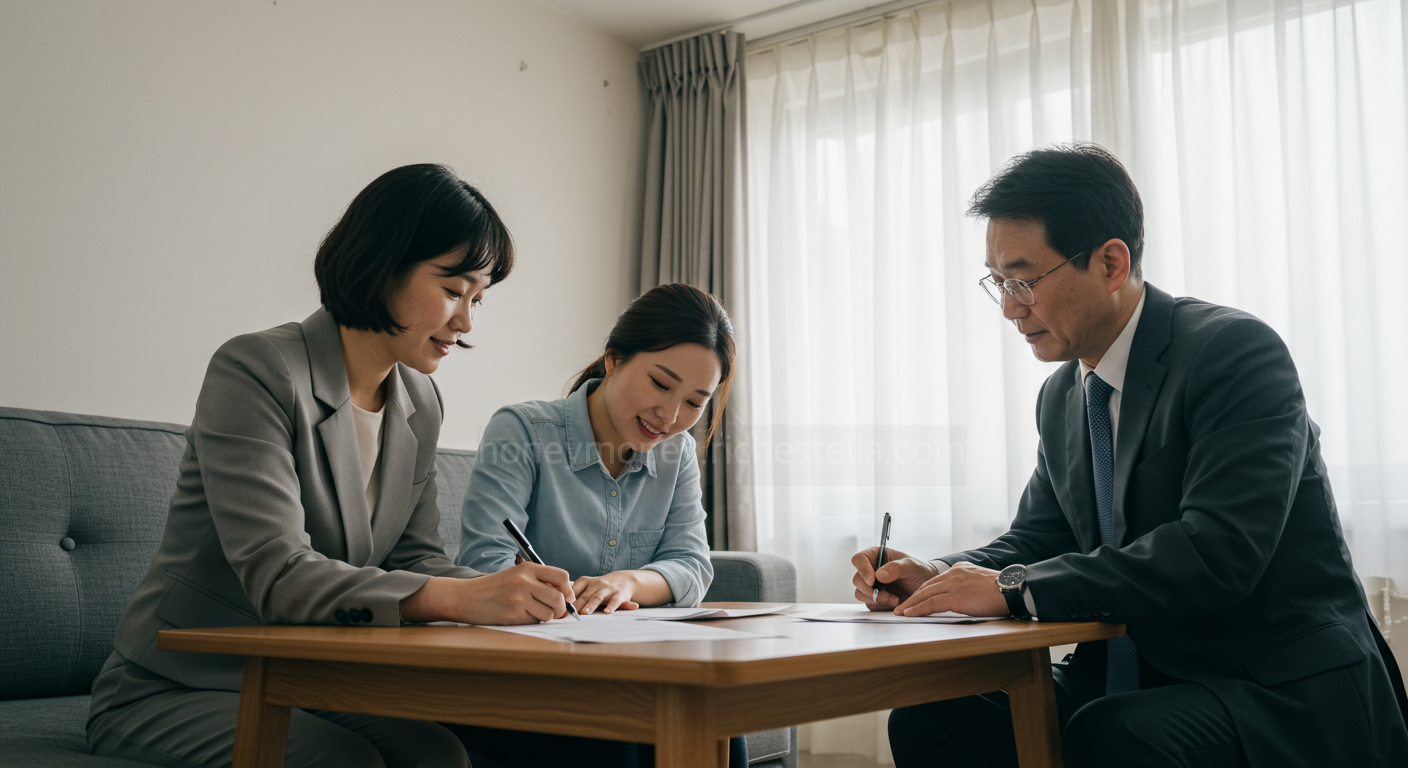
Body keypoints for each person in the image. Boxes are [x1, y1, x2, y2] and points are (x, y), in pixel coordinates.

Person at [852, 144, 1408, 767]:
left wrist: (1009, 588)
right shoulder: (1062, 395)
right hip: (1132, 680)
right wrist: (937, 577)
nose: (1009, 308)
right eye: (999, 283)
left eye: (1024, 279)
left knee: (1116, 733)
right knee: (936, 713)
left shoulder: (1234, 353)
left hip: (1271, 687)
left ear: (1111, 263)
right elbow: (1038, 540)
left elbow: (1217, 551)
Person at [87, 164, 579, 768]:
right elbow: (280, 574)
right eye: (454, 290)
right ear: (384, 261)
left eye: (478, 299)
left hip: (304, 681)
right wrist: (462, 600)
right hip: (178, 684)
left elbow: (413, 559)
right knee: (344, 763)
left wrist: (516, 596)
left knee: (440, 756)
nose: (467, 322)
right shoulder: (258, 369)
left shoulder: (420, 401)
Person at [450, 282, 748, 768]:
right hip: (521, 680)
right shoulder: (523, 431)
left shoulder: (675, 455)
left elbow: (692, 565)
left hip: (629, 674)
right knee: (619, 740)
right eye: (660, 383)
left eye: (695, 403)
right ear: (613, 360)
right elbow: (485, 565)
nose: (670, 416)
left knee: (718, 727)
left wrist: (623, 582)